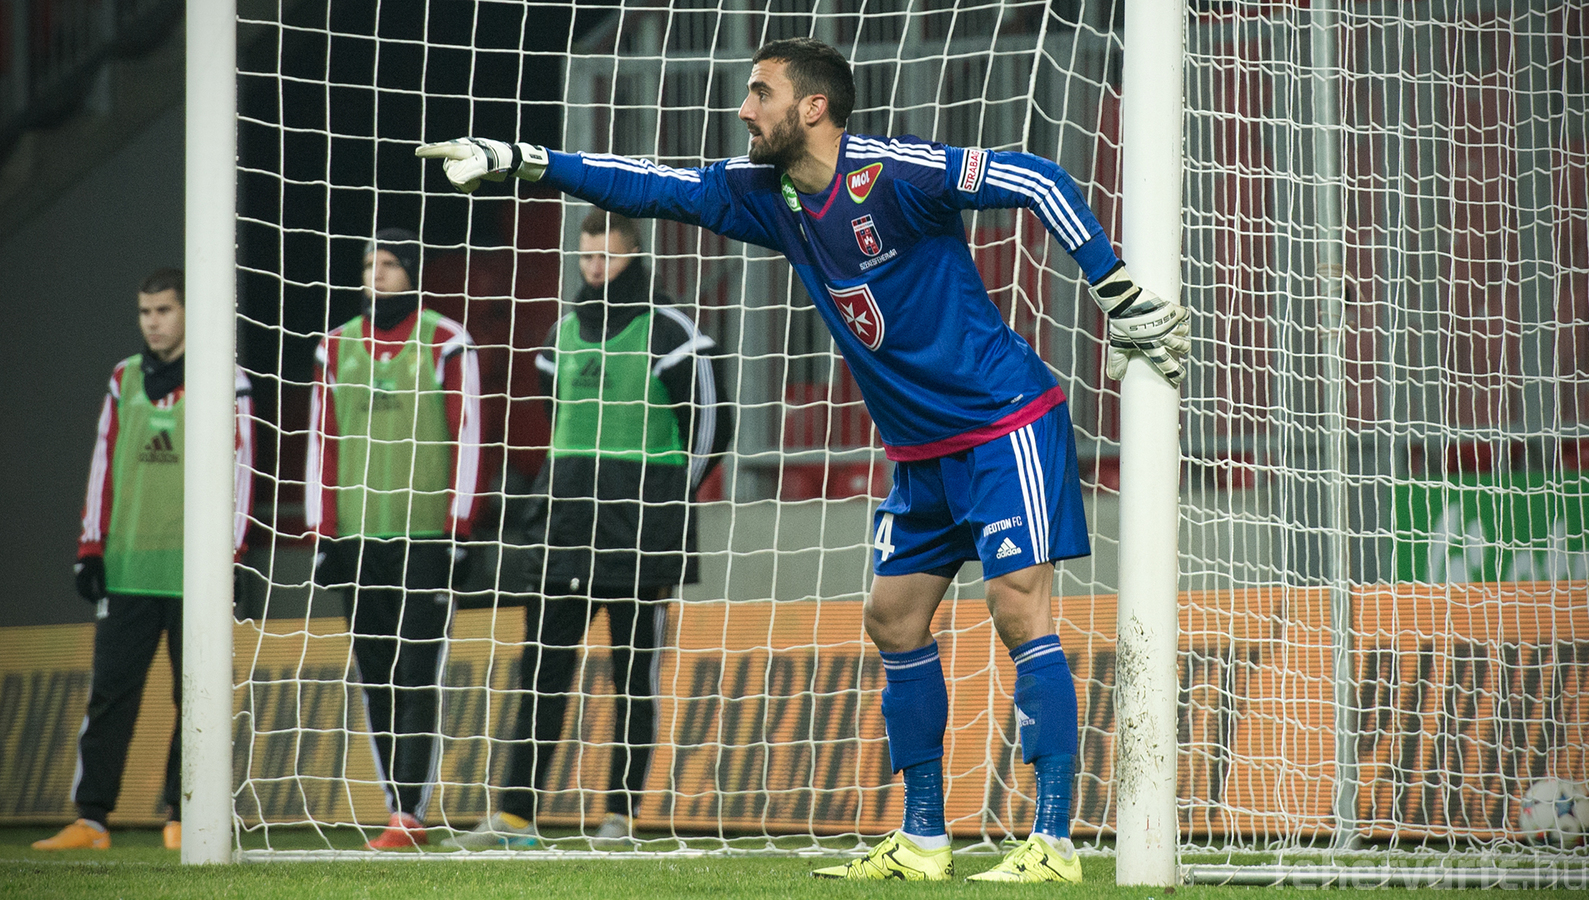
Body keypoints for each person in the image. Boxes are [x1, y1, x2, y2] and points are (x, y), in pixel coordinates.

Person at [418, 36, 1189, 881]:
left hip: (1005, 424)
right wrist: (524, 161)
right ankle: (924, 840)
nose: (743, 109)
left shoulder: (894, 172)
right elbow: (649, 183)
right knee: (893, 620)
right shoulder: (766, 196)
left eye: (761, 93)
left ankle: (1053, 843)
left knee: (1017, 610)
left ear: (813, 106)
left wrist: (1114, 288)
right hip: (921, 450)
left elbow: (1039, 180)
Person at [445, 209, 732, 851]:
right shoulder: (560, 336)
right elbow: (559, 420)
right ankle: (514, 816)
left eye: (608, 256)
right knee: (541, 672)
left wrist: (665, 502)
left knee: (633, 677)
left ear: (634, 256)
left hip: (641, 536)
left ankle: (620, 816)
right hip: (565, 530)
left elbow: (714, 427)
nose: (596, 269)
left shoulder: (675, 334)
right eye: (587, 257)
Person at [34, 268, 254, 853]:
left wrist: (231, 559)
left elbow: (242, 471)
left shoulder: (226, 379)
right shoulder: (123, 377)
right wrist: (90, 548)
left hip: (196, 575)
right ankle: (92, 820)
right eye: (144, 312)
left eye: (164, 310)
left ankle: (183, 815)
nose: (152, 322)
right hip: (129, 567)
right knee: (110, 695)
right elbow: (102, 464)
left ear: (189, 311)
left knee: (197, 699)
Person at [305, 228, 483, 850]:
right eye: (368, 264)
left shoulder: (446, 340)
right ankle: (396, 807)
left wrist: (459, 528)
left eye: (388, 264)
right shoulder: (334, 347)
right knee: (375, 675)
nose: (375, 274)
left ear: (411, 271)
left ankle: (410, 811)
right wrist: (323, 534)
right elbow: (321, 443)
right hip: (358, 539)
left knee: (415, 674)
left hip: (425, 539)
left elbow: (468, 435)